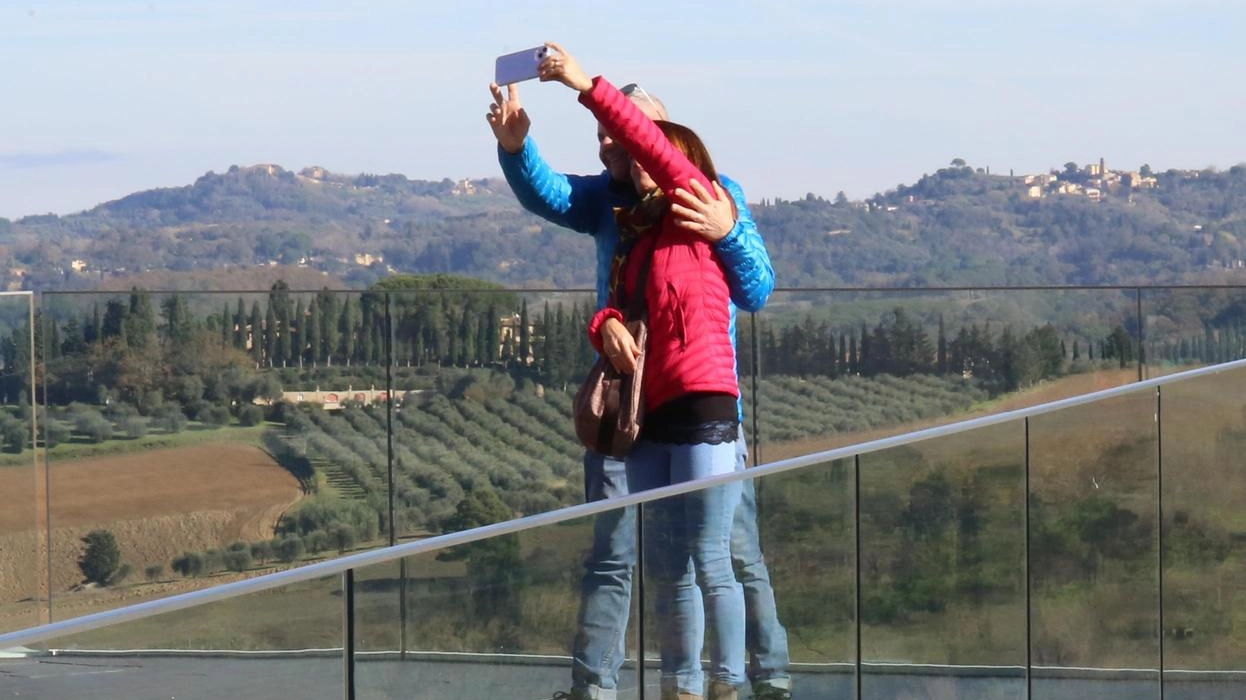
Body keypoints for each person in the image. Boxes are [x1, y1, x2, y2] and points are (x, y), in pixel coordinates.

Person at [486, 51, 790, 700]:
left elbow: (759, 285)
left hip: (707, 405)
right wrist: (517, 149)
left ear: (662, 135)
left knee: (731, 558)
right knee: (639, 560)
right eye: (607, 138)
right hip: (637, 410)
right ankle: (624, 687)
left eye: (627, 132)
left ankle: (764, 681)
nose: (614, 145)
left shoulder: (708, 193)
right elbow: (554, 197)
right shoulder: (616, 211)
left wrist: (729, 230)